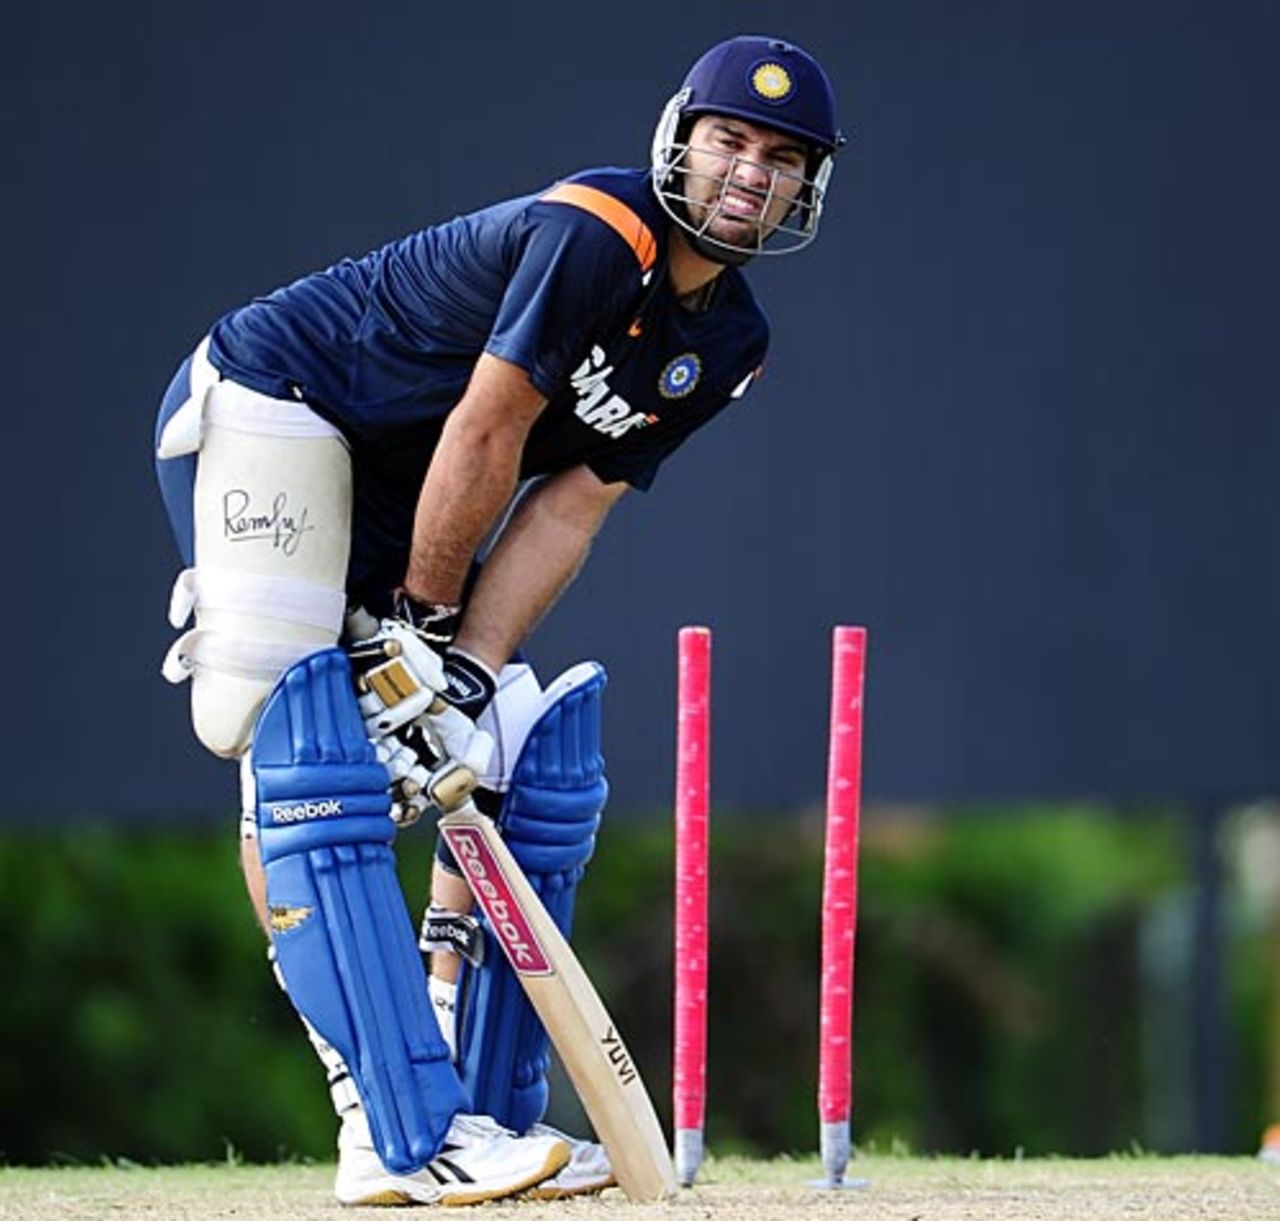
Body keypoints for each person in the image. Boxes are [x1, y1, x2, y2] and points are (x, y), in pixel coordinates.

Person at [154, 33, 842, 1207]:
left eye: (781, 157)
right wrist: (423, 624)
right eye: (729, 139)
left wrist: (464, 666)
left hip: (393, 497)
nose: (747, 172)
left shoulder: (729, 343)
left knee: (501, 740)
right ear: (679, 139)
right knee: (288, 728)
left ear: (805, 189)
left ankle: (447, 1094)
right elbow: (487, 433)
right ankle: (389, 1123)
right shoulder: (594, 235)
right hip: (283, 404)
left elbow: (567, 509)